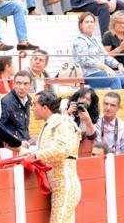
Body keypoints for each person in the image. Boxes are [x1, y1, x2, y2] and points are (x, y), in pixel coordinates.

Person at [24, 90, 81, 223]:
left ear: (44, 107)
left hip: (65, 185)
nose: (32, 108)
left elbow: (64, 148)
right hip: (59, 185)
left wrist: (36, 155)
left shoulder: (62, 122)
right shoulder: (52, 124)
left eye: (34, 104)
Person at [73, 12, 124, 89]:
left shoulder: (96, 40)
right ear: (81, 25)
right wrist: (104, 67)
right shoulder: (79, 41)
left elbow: (106, 56)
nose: (90, 24)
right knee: (114, 79)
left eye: (92, 22)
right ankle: (116, 100)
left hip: (100, 72)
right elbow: (85, 60)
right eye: (86, 22)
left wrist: (118, 65)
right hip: (88, 74)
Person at [0, 71, 32, 148]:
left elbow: (22, 128)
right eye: (18, 83)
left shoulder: (28, 100)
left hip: (22, 148)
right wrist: (18, 141)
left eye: (25, 84)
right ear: (13, 84)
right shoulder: (6, 102)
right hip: (9, 149)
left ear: (30, 85)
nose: (22, 87)